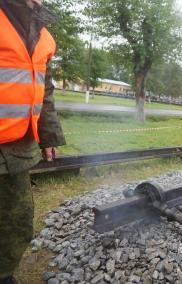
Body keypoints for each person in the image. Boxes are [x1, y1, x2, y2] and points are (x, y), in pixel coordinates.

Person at [0, 0, 65, 283]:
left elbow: (44, 89)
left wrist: (48, 136)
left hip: (15, 146)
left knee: (18, 223)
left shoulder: (44, 34)